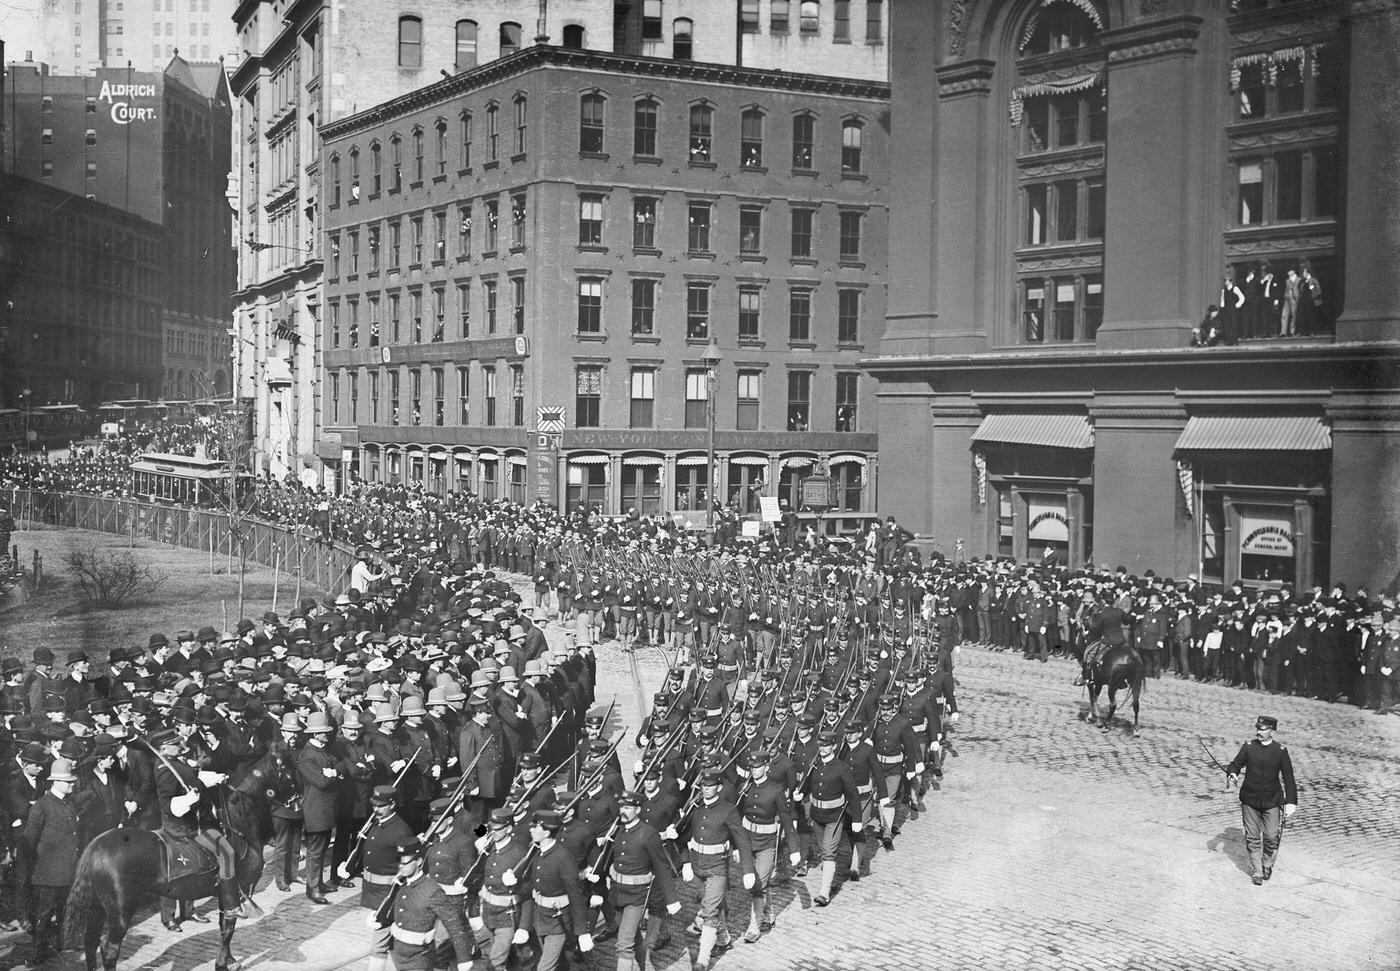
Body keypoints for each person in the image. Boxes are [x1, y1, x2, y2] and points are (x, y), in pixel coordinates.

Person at [17, 756, 81, 966]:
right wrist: (31, 872)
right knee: (42, 916)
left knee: (64, 911)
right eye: (69, 782)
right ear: (56, 782)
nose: (73, 784)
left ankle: (63, 943)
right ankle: (37, 953)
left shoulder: (71, 803)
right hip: (46, 873)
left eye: (72, 781)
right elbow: (29, 840)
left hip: (67, 870)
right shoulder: (42, 806)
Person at [1225, 715, 1299, 885]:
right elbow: (1235, 764)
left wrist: (1291, 802)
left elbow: (1288, 777)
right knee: (1252, 837)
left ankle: (1267, 863)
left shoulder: (1280, 751)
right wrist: (1233, 773)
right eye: (1257, 729)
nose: (1259, 732)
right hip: (1250, 800)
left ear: (1272, 731)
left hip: (1272, 801)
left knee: (1272, 836)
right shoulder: (1249, 747)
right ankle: (1258, 870)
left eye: (1263, 729)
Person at [382, 838, 475, 971]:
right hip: (396, 951)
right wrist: (380, 920)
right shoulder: (400, 883)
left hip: (419, 957)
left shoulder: (432, 891)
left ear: (419, 861)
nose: (400, 867)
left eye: (405, 863)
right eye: (399, 862)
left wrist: (463, 959)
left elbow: (454, 925)